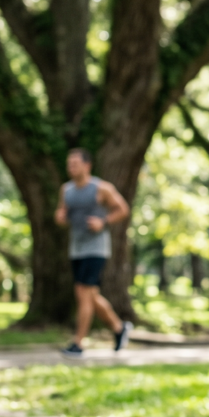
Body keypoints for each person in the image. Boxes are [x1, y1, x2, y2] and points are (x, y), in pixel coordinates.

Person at [55, 147, 132, 356]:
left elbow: (122, 209)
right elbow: (61, 213)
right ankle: (119, 328)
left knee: (83, 294)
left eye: (75, 164)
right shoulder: (66, 190)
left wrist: (103, 221)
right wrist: (60, 217)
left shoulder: (101, 188)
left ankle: (78, 343)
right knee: (90, 295)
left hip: (96, 248)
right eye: (69, 164)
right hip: (76, 248)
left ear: (87, 165)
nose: (71, 167)